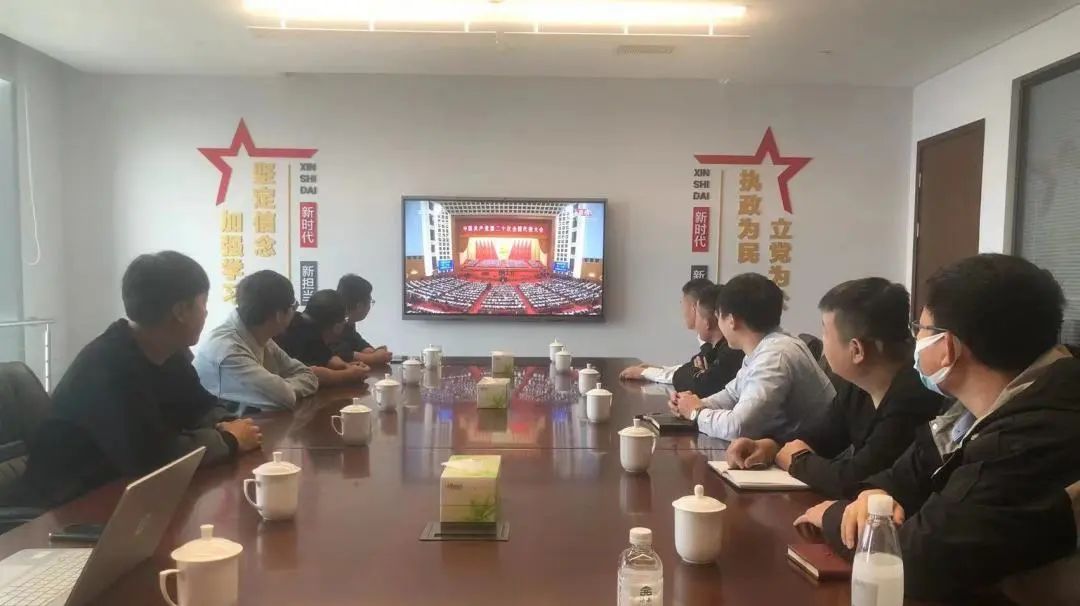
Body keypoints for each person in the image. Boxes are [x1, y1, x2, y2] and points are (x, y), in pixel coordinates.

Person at [798, 254, 1080, 601]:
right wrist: (876, 495)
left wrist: (831, 516)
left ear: (946, 347)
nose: (914, 340)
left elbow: (913, 563)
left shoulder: (1035, 433)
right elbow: (906, 474)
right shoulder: (974, 407)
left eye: (920, 329)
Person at [21, 252, 261, 506]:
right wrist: (229, 440)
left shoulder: (170, 352)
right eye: (203, 303)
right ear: (180, 311)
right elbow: (150, 458)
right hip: (65, 504)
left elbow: (200, 407)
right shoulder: (109, 365)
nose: (206, 312)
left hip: (125, 493)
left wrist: (229, 423)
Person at [726, 278, 943, 498]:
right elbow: (822, 436)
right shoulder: (857, 383)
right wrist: (771, 446)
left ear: (856, 350)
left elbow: (858, 479)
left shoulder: (915, 395)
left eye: (826, 334)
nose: (823, 343)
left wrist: (798, 461)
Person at [670, 273, 835, 441]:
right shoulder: (764, 347)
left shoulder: (775, 356)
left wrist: (696, 413)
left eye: (719, 316)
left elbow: (739, 428)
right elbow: (732, 394)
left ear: (732, 320)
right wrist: (692, 404)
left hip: (815, 453)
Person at [195, 270, 319, 414]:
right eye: (294, 306)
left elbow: (308, 376)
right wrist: (283, 388)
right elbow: (284, 398)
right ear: (279, 315)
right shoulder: (228, 350)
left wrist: (284, 386)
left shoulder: (260, 336)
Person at [620, 278, 714, 391]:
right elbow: (689, 369)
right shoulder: (707, 343)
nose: (682, 311)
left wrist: (645, 372)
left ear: (695, 308)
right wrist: (659, 369)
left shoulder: (714, 348)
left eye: (682, 304)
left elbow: (686, 377)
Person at [274, 289, 369, 386]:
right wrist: (348, 375)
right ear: (337, 326)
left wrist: (347, 366)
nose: (345, 323)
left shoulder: (305, 327)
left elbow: (327, 359)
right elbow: (311, 374)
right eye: (345, 318)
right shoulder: (301, 334)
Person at [677, 284, 744, 398]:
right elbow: (679, 375)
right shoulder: (712, 349)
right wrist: (699, 373)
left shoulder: (732, 352)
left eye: (697, 316)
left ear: (707, 322)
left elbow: (703, 387)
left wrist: (699, 375)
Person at [336, 274, 393, 366]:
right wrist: (373, 358)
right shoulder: (334, 323)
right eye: (370, 302)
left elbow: (359, 344)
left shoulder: (348, 322)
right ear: (359, 306)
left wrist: (374, 352)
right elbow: (339, 354)